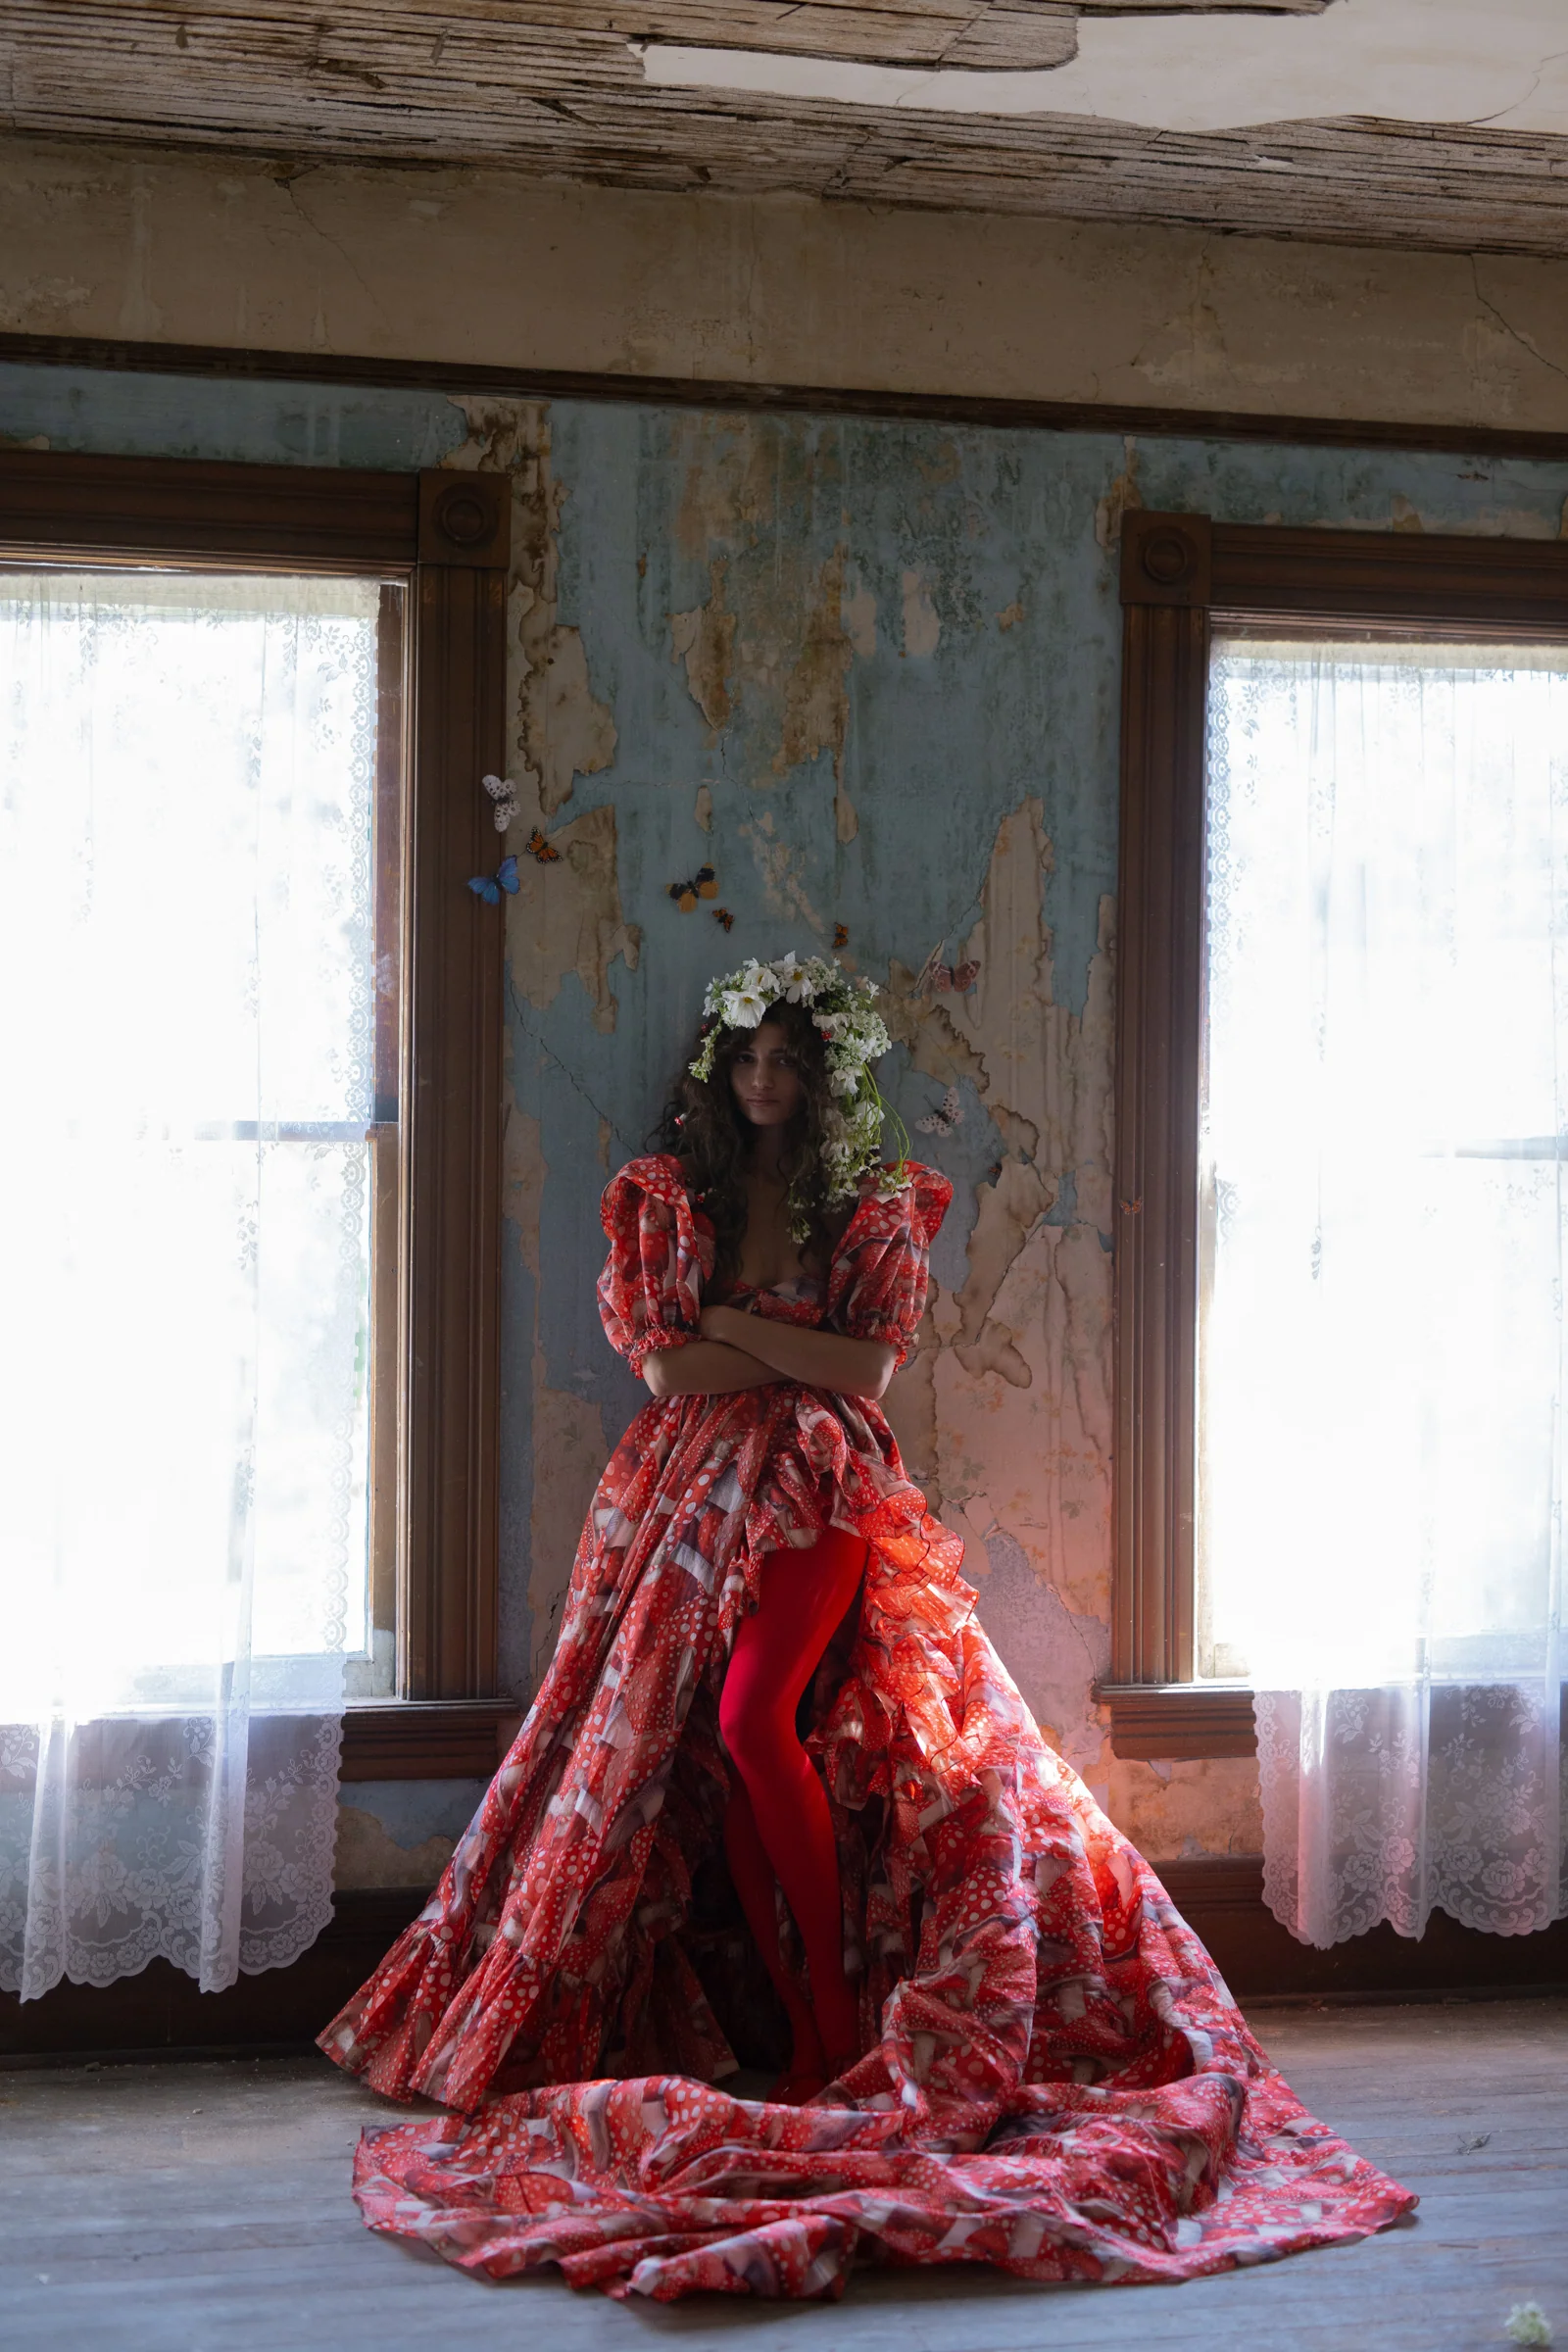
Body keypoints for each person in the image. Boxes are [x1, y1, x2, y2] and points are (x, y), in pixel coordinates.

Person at [320, 950, 1413, 2300]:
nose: (766, 1080)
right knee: (680, 1756)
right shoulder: (676, 1194)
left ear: (828, 1074)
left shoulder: (871, 1199)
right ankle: (789, 2004)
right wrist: (774, 1338)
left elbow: (869, 1371)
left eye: (790, 1060)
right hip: (681, 1491)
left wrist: (737, 1328)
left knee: (755, 1718)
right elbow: (664, 1368)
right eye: (748, 1058)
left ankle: (828, 2021)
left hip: (827, 1479)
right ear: (722, 1069)